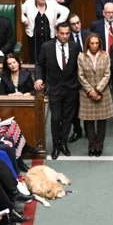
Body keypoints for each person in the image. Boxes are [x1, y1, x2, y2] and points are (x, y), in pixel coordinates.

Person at [34, 22, 79, 160]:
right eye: (62, 33)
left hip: (71, 88)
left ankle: (63, 143)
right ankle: (55, 145)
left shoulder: (75, 46)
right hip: (54, 88)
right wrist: (39, 78)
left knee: (67, 118)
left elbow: (80, 65)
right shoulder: (46, 47)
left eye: (67, 34)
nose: (65, 36)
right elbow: (39, 65)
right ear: (57, 33)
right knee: (55, 118)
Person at [77, 33, 113, 157]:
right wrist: (91, 91)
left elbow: (107, 74)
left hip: (103, 93)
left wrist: (97, 90)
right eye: (92, 43)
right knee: (89, 122)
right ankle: (91, 146)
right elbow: (80, 76)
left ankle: (99, 146)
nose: (94, 46)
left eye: (96, 43)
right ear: (88, 44)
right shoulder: (81, 57)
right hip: (87, 94)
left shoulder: (105, 55)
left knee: (102, 122)